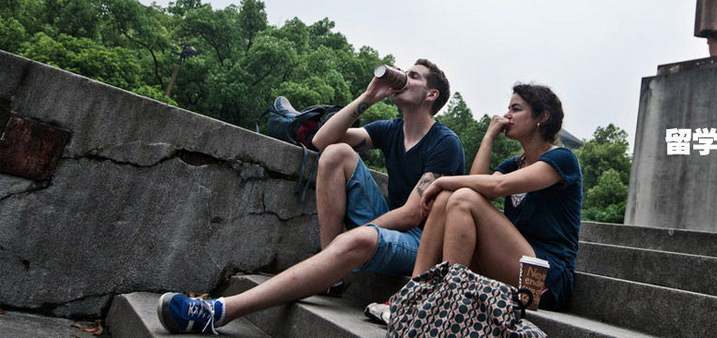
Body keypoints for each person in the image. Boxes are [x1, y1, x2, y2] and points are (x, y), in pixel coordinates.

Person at [156, 59, 465, 334]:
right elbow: (321, 140)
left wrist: (358, 234)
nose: (403, 77)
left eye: (413, 76)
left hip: (419, 244)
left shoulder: (445, 142)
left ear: (431, 94)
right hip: (385, 227)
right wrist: (369, 96)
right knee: (336, 154)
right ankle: (331, 269)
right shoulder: (391, 129)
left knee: (360, 238)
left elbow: (413, 214)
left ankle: (219, 311)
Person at [412, 83, 581, 310]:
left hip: (546, 278)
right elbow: (475, 187)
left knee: (460, 197)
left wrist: (442, 180)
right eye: (508, 108)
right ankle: (412, 293)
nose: (506, 115)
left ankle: (450, 303)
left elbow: (497, 186)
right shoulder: (513, 164)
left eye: (516, 109)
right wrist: (489, 136)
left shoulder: (562, 159)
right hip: (511, 262)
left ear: (542, 116)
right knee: (447, 199)